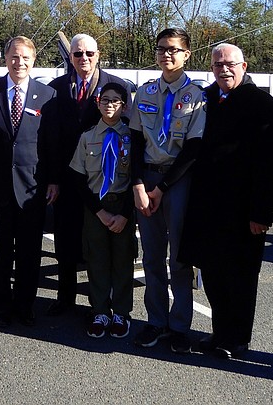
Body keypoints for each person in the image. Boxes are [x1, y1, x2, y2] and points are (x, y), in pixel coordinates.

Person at [178, 43, 273, 359]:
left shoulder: (263, 105)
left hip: (244, 209)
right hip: (208, 206)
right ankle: (219, 332)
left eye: (230, 64)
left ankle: (238, 337)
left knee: (240, 276)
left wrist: (261, 211)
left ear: (244, 66)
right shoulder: (206, 99)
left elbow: (271, 164)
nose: (224, 69)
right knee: (211, 272)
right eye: (217, 64)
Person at [129, 28, 206, 353]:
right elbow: (133, 142)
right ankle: (156, 321)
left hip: (178, 184)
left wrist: (160, 188)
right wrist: (137, 186)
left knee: (180, 259)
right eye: (161, 49)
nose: (166, 55)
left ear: (187, 54)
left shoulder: (198, 96)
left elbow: (192, 149)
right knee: (152, 257)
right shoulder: (144, 92)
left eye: (173, 50)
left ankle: (179, 326)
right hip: (145, 179)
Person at [0, 36, 60, 328]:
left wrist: (53, 181)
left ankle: (25, 304)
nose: (19, 62)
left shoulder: (47, 95)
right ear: (6, 59)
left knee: (29, 250)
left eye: (25, 57)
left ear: (33, 60)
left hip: (32, 186)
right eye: (14, 57)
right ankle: (0, 304)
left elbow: (51, 143)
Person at [47, 33, 131, 316]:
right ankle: (65, 298)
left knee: (111, 247)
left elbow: (130, 133)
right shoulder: (56, 88)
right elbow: (51, 139)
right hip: (69, 178)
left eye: (89, 54)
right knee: (66, 240)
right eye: (78, 54)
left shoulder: (117, 88)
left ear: (98, 55)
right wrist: (54, 178)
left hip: (105, 181)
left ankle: (110, 306)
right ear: (70, 57)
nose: (84, 59)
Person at [69, 82, 137, 338]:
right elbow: (78, 178)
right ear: (97, 103)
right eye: (105, 100)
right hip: (96, 207)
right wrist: (99, 211)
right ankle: (99, 311)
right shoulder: (87, 137)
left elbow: (136, 178)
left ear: (124, 105)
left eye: (116, 101)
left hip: (122, 206)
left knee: (123, 260)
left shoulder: (132, 136)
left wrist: (126, 214)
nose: (109, 105)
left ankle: (121, 312)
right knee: (96, 259)